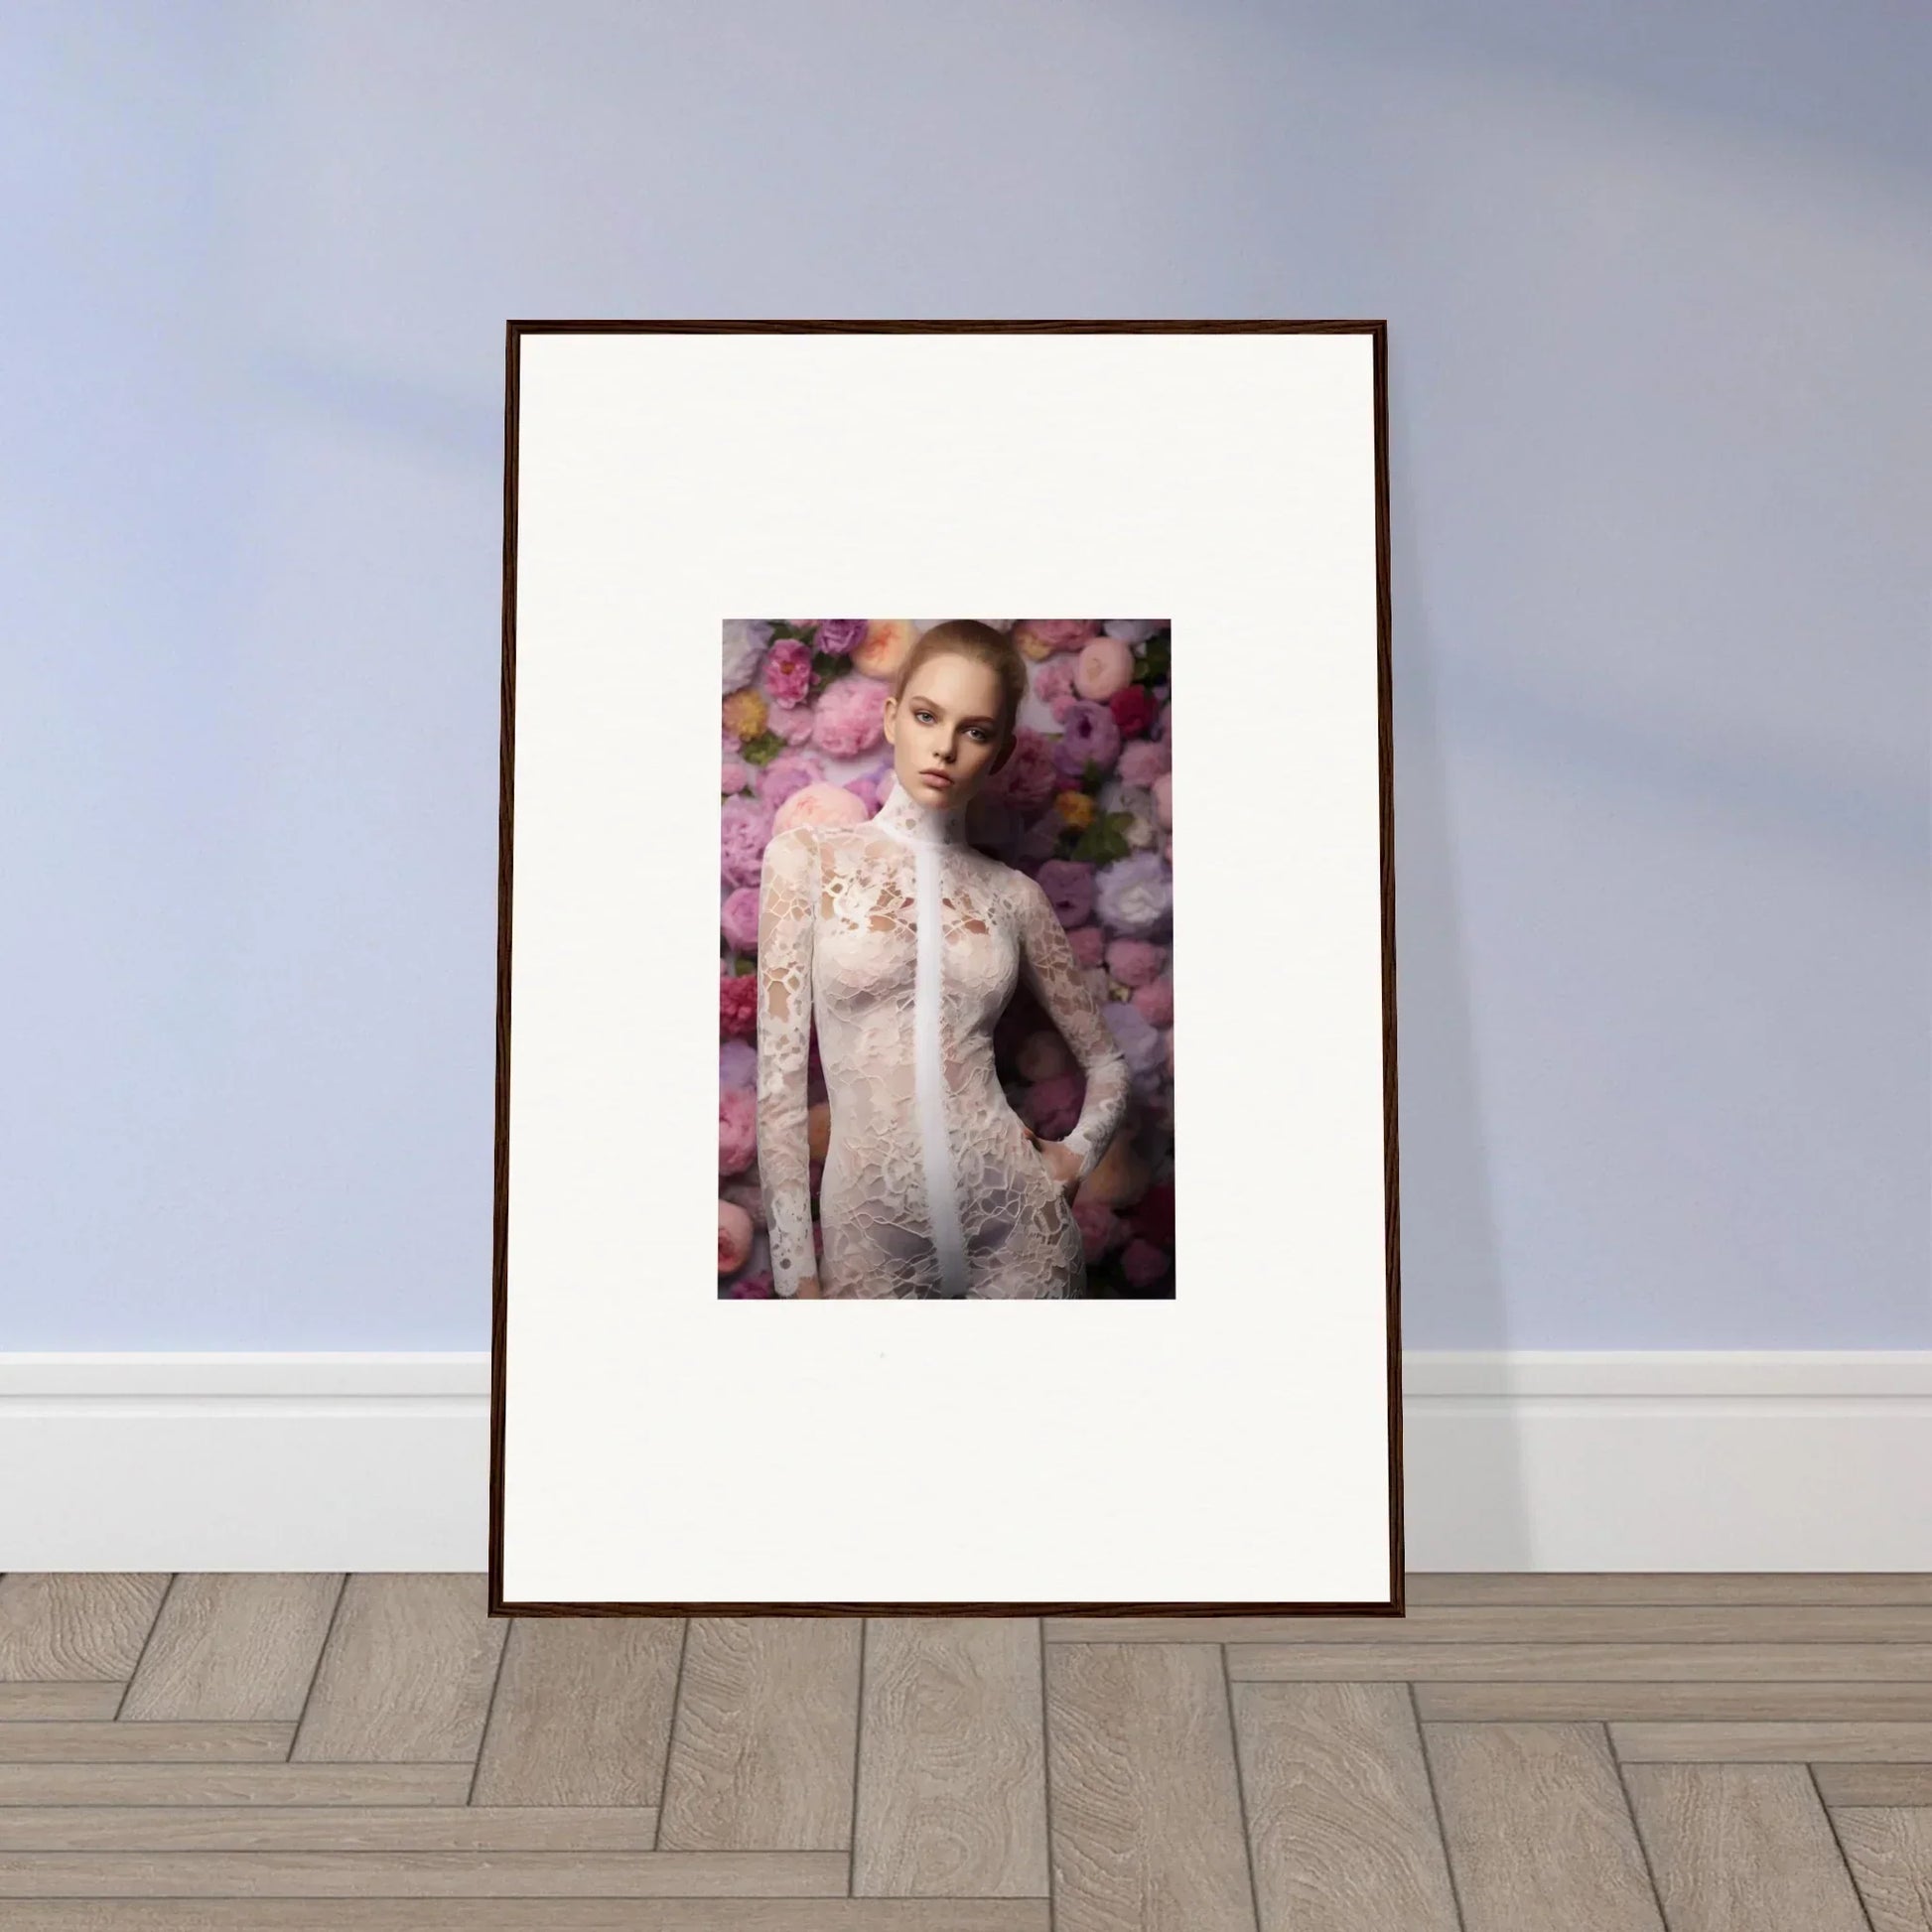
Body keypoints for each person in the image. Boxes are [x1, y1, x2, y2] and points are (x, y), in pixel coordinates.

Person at [756, 621, 1132, 1300]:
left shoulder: (1016, 897)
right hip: (871, 1235)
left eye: (976, 731)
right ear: (894, 717)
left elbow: (1108, 1064)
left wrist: (1073, 1158)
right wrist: (794, 1279)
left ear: (1001, 750)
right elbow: (779, 1092)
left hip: (1019, 1225)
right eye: (929, 716)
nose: (946, 747)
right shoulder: (807, 862)